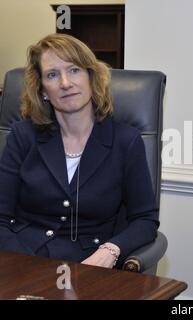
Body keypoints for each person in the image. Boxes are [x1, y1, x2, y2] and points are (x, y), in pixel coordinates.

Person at [0, 33, 159, 269]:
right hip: (24, 258)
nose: (65, 83)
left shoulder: (126, 141)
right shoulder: (23, 136)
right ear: (43, 89)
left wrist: (111, 250)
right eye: (52, 75)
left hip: (90, 265)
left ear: (91, 77)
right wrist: (24, 266)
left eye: (74, 70)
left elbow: (144, 220)